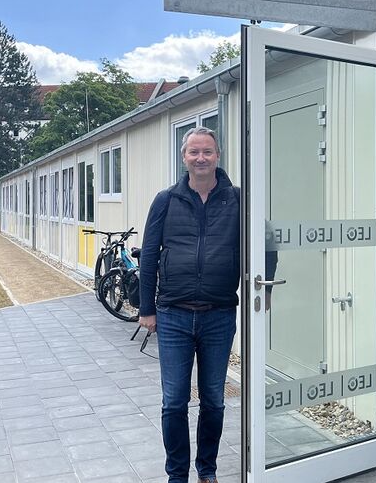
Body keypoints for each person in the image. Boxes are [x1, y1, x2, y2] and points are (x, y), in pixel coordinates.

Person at [139, 126, 239, 483]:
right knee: (174, 401)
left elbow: (265, 240)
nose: (200, 158)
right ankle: (177, 475)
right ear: (184, 157)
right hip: (173, 316)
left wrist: (266, 288)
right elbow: (148, 255)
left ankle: (207, 471)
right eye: (194, 152)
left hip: (220, 315)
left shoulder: (238, 199)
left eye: (207, 152)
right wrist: (146, 308)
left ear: (218, 155)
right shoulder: (166, 200)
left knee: (213, 400)